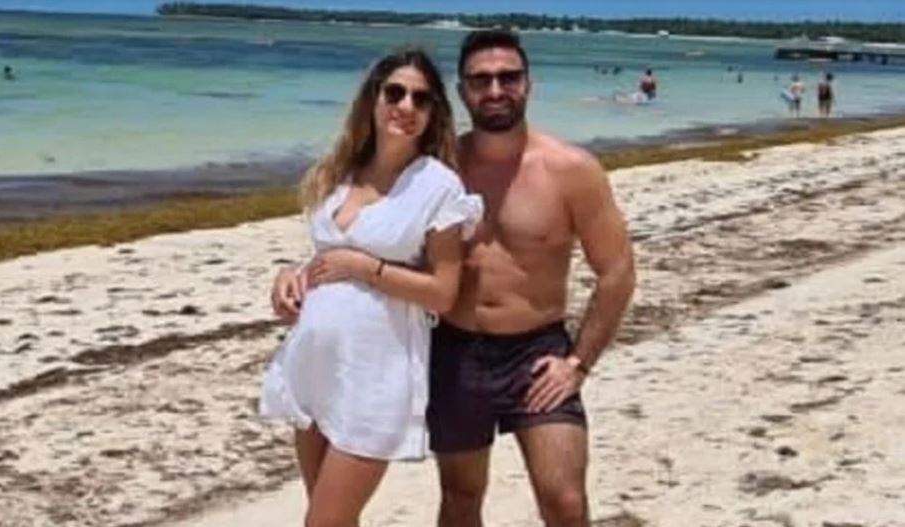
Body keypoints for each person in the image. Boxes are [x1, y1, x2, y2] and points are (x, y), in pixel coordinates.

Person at [274, 29, 635, 526]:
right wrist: (300, 272)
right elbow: (374, 234)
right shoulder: (435, 169)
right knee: (461, 497)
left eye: (508, 77)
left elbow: (617, 272)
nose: (495, 90)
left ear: (529, 84)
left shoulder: (571, 170)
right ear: (463, 92)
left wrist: (578, 363)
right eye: (481, 80)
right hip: (454, 348)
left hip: (536, 353)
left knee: (564, 501)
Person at [261, 48, 483, 527]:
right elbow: (326, 255)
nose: (406, 106)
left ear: (433, 113)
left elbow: (443, 292)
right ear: (373, 98)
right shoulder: (340, 171)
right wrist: (289, 276)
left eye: (421, 99)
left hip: (374, 376)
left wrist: (367, 268)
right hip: (315, 365)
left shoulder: (437, 186)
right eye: (395, 93)